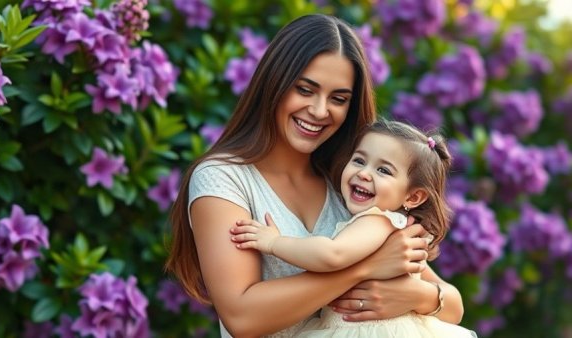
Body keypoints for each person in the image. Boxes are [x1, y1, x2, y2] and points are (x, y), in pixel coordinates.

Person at [166, 14, 465, 337]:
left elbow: (453, 305)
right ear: (274, 83)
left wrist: (417, 295)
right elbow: (242, 317)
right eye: (305, 90)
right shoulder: (223, 179)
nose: (320, 111)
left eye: (338, 99)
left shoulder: (351, 183)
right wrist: (365, 268)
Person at [231, 119, 477, 337]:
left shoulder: (377, 220)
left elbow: (331, 255)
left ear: (413, 198)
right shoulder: (395, 231)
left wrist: (274, 243)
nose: (364, 173)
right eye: (359, 160)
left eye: (383, 170)